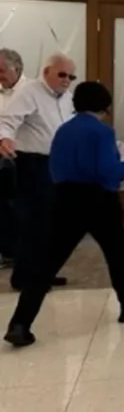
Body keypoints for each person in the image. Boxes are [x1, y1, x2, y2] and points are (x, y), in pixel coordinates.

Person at [4, 81, 124, 347]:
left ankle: (20, 323)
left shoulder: (62, 130)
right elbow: (107, 171)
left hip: (65, 199)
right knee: (116, 255)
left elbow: (56, 165)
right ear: (104, 105)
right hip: (99, 201)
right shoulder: (102, 132)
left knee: (46, 264)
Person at [0, 53, 76, 291]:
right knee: (33, 224)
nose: (66, 80)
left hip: (59, 165)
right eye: (61, 74)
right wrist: (5, 139)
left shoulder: (68, 98)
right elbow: (6, 120)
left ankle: (44, 273)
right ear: (46, 72)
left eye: (71, 76)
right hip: (34, 165)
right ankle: (23, 278)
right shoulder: (30, 92)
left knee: (53, 223)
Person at [0, 48, 27, 270]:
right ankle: (8, 251)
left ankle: (23, 253)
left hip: (25, 157)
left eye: (1, 70)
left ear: (16, 68)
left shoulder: (32, 91)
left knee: (21, 206)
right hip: (2, 158)